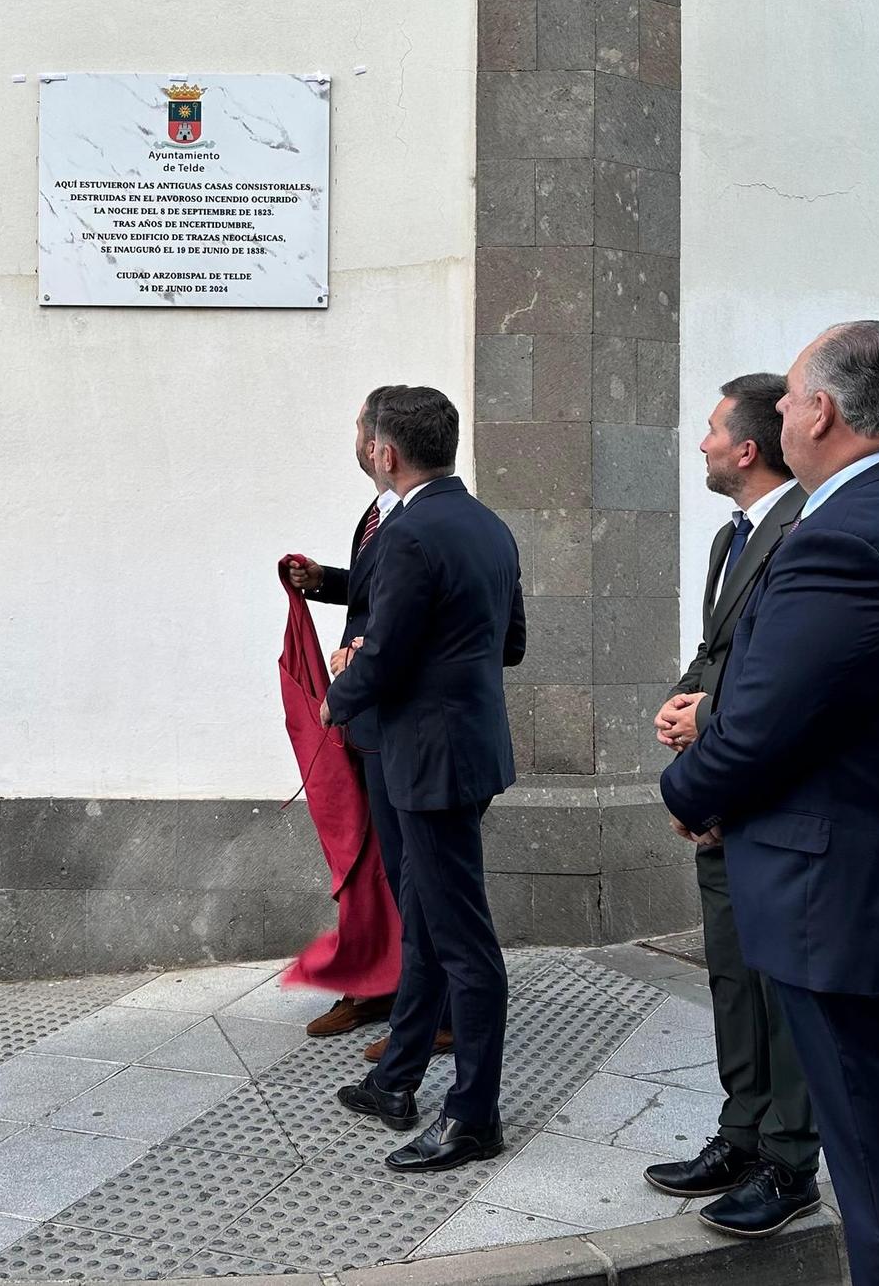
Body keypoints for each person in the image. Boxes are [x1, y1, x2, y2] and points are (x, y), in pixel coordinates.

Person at [659, 323, 879, 1286]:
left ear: (820, 411)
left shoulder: (848, 536)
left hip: (844, 901)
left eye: (786, 398)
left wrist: (688, 790)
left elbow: (766, 721)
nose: (773, 415)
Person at [322, 386, 526, 1173]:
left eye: (364, 438)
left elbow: (389, 654)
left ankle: (472, 1117)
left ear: (386, 452)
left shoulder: (409, 534)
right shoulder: (488, 524)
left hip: (430, 759)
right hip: (467, 749)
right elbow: (509, 644)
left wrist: (338, 697)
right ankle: (397, 1080)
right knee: (431, 917)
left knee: (465, 944)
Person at [645, 374, 820, 1237]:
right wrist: (683, 700)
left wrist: (710, 731)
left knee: (781, 988)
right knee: (731, 976)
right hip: (720, 781)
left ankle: (791, 1162)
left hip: (765, 791)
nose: (705, 443)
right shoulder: (732, 536)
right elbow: (720, 650)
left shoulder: (805, 530)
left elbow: (787, 678)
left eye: (714, 431)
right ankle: (741, 1133)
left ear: (748, 449)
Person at [285, 386, 413, 1043]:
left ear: (380, 447)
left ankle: (429, 1012)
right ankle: (376, 987)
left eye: (359, 428)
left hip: (402, 726)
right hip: (371, 726)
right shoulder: (379, 512)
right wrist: (326, 582)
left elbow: (410, 623)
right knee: (373, 869)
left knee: (411, 877)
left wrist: (358, 668)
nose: (355, 439)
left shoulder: (429, 520)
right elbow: (377, 596)